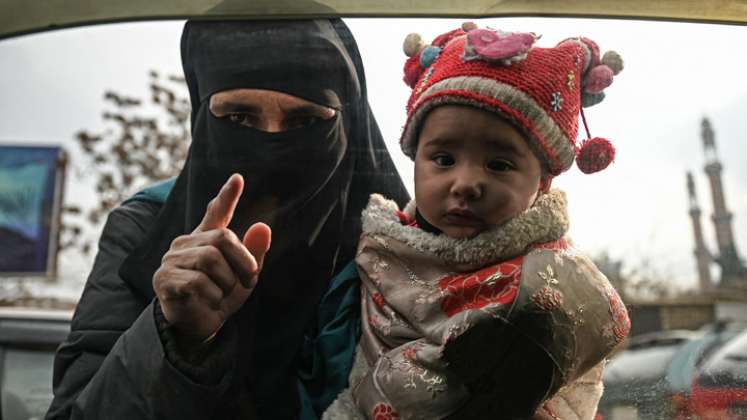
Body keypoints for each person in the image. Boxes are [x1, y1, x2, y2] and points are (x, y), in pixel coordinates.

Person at [46, 19, 409, 420]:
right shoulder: (144, 228)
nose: (272, 146)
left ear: (347, 125)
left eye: (305, 121)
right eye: (239, 117)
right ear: (203, 119)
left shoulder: (399, 249)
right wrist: (176, 336)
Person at [322, 24, 631, 420]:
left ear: (543, 182)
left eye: (499, 165)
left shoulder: (554, 284)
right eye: (444, 160)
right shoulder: (375, 254)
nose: (466, 184)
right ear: (414, 160)